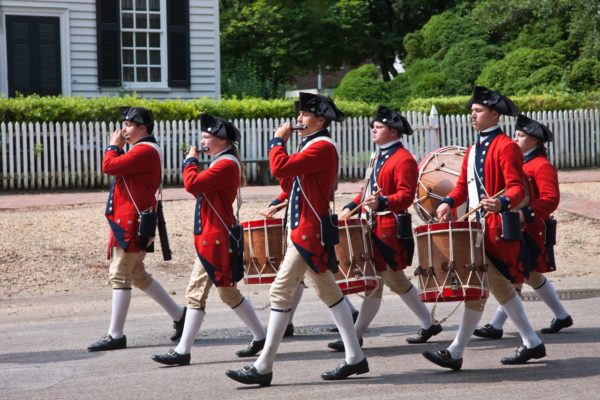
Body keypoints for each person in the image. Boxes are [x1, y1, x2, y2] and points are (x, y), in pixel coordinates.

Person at [226, 92, 368, 386]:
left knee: (279, 292)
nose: (298, 119)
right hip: (301, 229)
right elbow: (289, 180)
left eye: (304, 115)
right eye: (299, 114)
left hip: (308, 231)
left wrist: (277, 142)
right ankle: (355, 357)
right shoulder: (311, 145)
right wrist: (287, 148)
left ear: (320, 120)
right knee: (330, 293)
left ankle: (263, 366)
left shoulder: (322, 146)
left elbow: (279, 168)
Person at [422, 86, 547, 370]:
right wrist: (448, 202)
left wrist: (502, 202)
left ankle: (457, 351)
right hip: (476, 229)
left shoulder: (507, 146)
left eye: (478, 111)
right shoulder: (473, 148)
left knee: (484, 288)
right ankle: (530, 342)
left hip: (496, 229)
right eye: (472, 111)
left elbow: (517, 187)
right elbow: (461, 188)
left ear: (494, 114)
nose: (472, 116)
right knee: (494, 289)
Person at [151, 114, 266, 366]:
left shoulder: (225, 164)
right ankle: (261, 335)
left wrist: (190, 160)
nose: (202, 141)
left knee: (195, 294)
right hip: (212, 237)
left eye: (206, 137)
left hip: (214, 239)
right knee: (227, 293)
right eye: (202, 136)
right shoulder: (221, 162)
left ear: (222, 141)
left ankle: (183, 351)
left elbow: (191, 184)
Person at [327, 106, 442, 353]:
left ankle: (355, 335)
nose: (373, 130)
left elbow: (406, 195)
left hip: (389, 228)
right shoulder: (377, 156)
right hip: (374, 226)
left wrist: (383, 202)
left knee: (376, 283)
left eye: (378, 127)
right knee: (395, 281)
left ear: (392, 132)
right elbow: (367, 190)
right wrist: (351, 206)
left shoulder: (404, 159)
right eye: (373, 126)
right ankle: (429, 323)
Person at [88, 107, 186, 352]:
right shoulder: (142, 149)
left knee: (120, 273)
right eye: (124, 123)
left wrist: (113, 146)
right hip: (130, 219)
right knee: (137, 273)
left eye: (130, 124)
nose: (124, 128)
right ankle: (180, 315)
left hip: (132, 221)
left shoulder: (145, 150)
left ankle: (116, 334)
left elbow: (109, 165)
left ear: (144, 128)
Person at [473, 114, 572, 339]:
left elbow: (550, 199)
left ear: (534, 141)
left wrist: (524, 214)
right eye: (515, 134)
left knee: (515, 274)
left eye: (520, 136)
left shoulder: (541, 165)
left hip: (531, 227)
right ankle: (562, 314)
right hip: (514, 226)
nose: (515, 139)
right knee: (529, 274)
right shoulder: (521, 161)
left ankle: (497, 325)